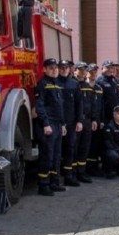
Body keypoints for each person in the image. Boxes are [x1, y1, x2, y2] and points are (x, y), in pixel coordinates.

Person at [35, 58, 67, 196]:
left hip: (57, 124)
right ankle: (43, 186)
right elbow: (40, 106)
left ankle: (54, 182)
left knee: (56, 155)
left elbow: (60, 107)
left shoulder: (57, 83)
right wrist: (45, 124)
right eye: (51, 67)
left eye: (55, 67)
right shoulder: (42, 84)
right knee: (47, 156)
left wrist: (63, 123)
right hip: (48, 124)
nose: (54, 70)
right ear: (45, 69)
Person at [58, 59, 81, 187]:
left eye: (66, 67)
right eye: (61, 67)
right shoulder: (54, 82)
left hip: (71, 122)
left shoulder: (74, 83)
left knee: (70, 149)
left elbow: (79, 104)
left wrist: (79, 121)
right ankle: (55, 178)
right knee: (56, 151)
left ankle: (68, 176)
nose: (64, 69)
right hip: (57, 122)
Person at [73, 63, 95, 184]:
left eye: (84, 70)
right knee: (74, 147)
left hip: (87, 120)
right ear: (75, 71)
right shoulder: (72, 84)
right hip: (76, 121)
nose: (83, 72)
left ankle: (81, 172)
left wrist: (94, 119)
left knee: (84, 148)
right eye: (80, 70)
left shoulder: (87, 86)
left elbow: (92, 104)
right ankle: (73, 173)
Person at [85, 63, 105, 177]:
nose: (93, 74)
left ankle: (94, 168)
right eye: (91, 72)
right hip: (86, 120)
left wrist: (101, 120)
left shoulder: (99, 88)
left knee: (95, 145)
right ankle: (85, 168)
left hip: (97, 121)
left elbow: (101, 106)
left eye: (95, 72)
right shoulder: (83, 86)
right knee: (86, 145)